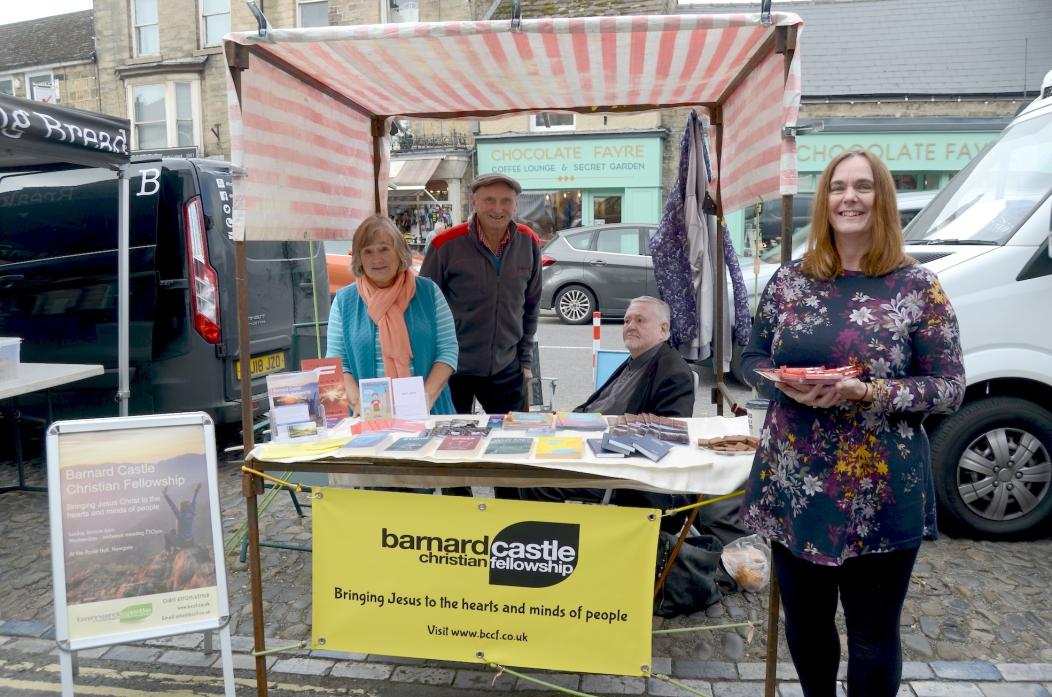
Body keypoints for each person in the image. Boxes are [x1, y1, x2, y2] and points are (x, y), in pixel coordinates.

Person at [740, 150, 965, 697]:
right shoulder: (790, 280)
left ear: (881, 199)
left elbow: (949, 385)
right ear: (824, 202)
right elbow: (750, 358)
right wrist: (783, 382)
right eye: (838, 187)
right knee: (807, 623)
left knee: (871, 632)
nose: (849, 197)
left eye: (863, 187)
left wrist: (868, 391)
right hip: (796, 482)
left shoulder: (918, 287)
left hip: (881, 485)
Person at [520, 297, 696, 530]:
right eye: (626, 320)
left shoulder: (673, 373)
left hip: (613, 465)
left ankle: (551, 549)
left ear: (663, 329)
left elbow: (665, 437)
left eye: (640, 320)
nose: (630, 326)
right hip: (585, 440)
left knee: (535, 482)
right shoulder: (637, 360)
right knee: (523, 462)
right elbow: (599, 405)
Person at [420, 173, 542, 416]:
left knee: (512, 443)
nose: (498, 209)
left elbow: (531, 305)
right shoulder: (445, 245)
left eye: (506, 201)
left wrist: (524, 362)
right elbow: (424, 310)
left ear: (516, 205)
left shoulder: (528, 242)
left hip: (506, 368)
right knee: (451, 446)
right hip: (452, 368)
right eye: (489, 200)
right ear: (474, 202)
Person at [326, 215, 458, 416]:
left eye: (384, 249)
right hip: (370, 415)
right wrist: (358, 405)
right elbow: (337, 362)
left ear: (399, 252)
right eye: (367, 252)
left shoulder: (429, 293)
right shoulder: (345, 301)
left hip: (430, 410)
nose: (376, 259)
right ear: (359, 258)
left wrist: (425, 399)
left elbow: (447, 351)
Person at [163, 483, 201, 553]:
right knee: (172, 531)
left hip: (182, 543)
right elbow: (194, 502)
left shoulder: (179, 516)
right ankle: (175, 548)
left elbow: (172, 505)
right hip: (190, 542)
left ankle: (168, 553)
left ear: (181, 508)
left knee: (166, 535)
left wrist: (165, 495)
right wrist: (196, 490)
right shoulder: (191, 513)